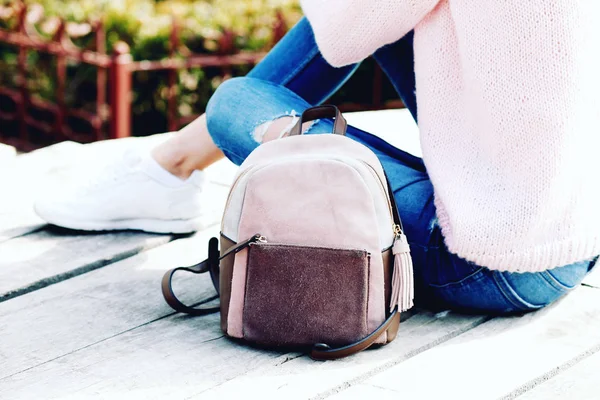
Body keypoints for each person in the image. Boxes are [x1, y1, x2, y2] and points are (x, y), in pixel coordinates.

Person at [35, 0, 600, 314]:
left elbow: (342, 24)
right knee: (373, 22)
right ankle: (167, 170)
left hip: (490, 263)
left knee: (235, 102)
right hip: (574, 233)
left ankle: (169, 169)